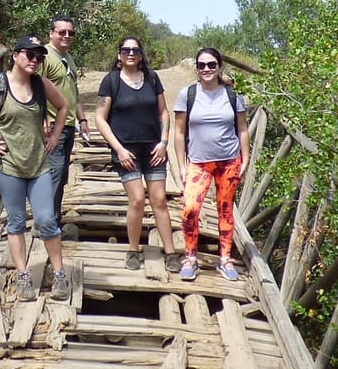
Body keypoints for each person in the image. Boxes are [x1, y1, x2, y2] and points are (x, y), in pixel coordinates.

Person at [0, 36, 71, 300]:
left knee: (46, 220)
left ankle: (60, 274)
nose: (34, 60)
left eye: (39, 56)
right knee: (16, 222)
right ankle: (22, 276)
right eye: (29, 55)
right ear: (16, 56)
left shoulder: (41, 85)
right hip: (9, 167)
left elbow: (64, 106)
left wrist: (54, 136)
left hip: (38, 165)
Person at [93, 36, 177, 272]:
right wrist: (118, 149)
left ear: (141, 55)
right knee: (138, 199)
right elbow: (100, 118)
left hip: (154, 149)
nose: (131, 53)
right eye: (126, 50)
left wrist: (164, 141)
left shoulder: (152, 78)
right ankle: (133, 249)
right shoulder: (111, 81)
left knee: (159, 200)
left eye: (135, 50)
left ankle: (170, 252)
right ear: (119, 54)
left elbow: (164, 113)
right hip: (126, 150)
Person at [170, 47, 249, 283]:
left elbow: (243, 129)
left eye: (211, 64)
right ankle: (190, 257)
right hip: (198, 163)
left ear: (219, 67)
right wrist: (182, 166)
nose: (207, 69)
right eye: (202, 65)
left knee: (225, 210)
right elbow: (179, 131)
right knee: (190, 209)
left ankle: (225, 259)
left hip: (229, 161)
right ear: (196, 68)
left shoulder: (234, 96)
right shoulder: (188, 94)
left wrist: (245, 159)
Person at [38, 15, 90, 208]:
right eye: (62, 32)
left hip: (68, 125)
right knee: (54, 173)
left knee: (61, 175)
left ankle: (53, 219)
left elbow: (74, 92)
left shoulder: (68, 57)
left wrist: (82, 119)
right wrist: (42, 120)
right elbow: (35, 90)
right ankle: (46, 223)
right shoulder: (44, 56)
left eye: (71, 33)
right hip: (51, 125)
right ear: (51, 33)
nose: (67, 36)